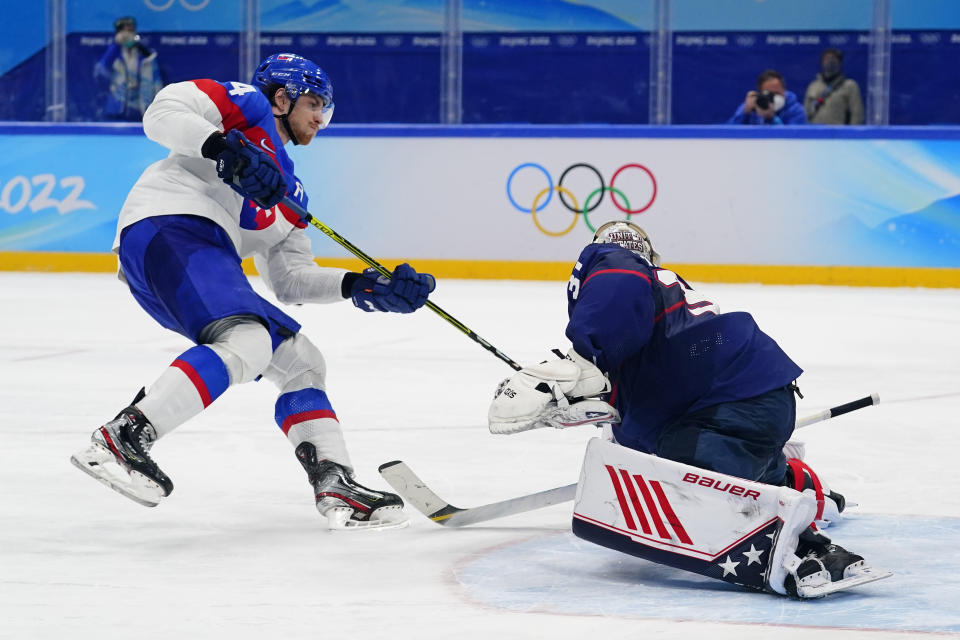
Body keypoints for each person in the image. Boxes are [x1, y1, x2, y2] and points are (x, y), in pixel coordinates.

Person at [71, 52, 436, 531]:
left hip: (200, 254)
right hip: (169, 224)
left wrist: (364, 285)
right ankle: (124, 437)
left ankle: (334, 480)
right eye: (313, 104)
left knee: (302, 361)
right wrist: (222, 147)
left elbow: (290, 279)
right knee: (247, 340)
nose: (320, 119)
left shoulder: (290, 190)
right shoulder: (248, 106)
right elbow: (161, 113)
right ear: (282, 98)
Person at [487, 220, 885, 597]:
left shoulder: (614, 263)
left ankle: (802, 548)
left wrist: (584, 357)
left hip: (722, 412)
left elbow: (616, 290)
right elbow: (656, 388)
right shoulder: (661, 308)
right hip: (759, 400)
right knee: (718, 462)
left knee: (690, 492)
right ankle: (799, 483)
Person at [93, 16, 163, 121]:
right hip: (116, 109)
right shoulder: (113, 53)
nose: (127, 34)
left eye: (130, 30)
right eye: (123, 31)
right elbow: (101, 71)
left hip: (139, 111)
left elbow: (156, 82)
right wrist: (116, 45)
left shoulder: (145, 55)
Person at [804, 48, 865, 125]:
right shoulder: (813, 86)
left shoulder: (850, 86)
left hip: (839, 134)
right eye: (827, 58)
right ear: (822, 62)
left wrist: (851, 134)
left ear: (839, 62)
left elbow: (857, 114)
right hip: (817, 134)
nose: (830, 61)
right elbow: (806, 113)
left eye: (834, 58)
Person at [727, 69, 806, 125]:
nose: (774, 97)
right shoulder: (752, 105)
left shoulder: (796, 110)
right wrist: (744, 113)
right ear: (760, 92)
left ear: (784, 90)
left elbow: (794, 137)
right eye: (769, 94)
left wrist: (772, 118)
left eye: (777, 93)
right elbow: (728, 133)